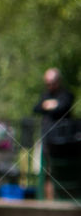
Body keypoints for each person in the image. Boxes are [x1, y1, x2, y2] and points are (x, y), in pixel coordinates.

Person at [33, 68, 75, 200]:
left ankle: (63, 198)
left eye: (51, 82)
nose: (49, 86)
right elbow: (36, 108)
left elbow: (63, 107)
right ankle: (47, 199)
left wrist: (52, 106)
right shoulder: (45, 95)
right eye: (47, 83)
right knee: (47, 170)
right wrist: (49, 105)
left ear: (58, 81)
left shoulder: (66, 94)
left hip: (63, 142)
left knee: (61, 170)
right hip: (47, 138)